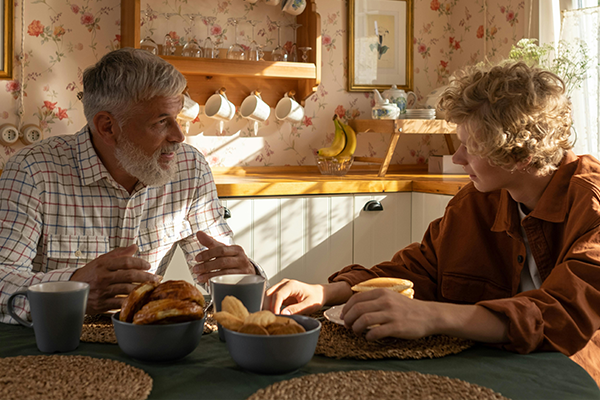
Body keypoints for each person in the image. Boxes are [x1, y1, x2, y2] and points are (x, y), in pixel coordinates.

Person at [265, 60, 600, 381]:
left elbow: (562, 313)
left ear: (520, 156)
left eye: (471, 147)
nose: (457, 158)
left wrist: (432, 316)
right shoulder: (476, 200)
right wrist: (326, 291)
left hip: (572, 377)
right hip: (488, 369)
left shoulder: (592, 205)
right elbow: (419, 269)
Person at [0, 48, 262, 324]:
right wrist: (72, 289)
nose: (179, 136)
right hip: (54, 347)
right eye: (161, 122)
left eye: (178, 118)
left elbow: (221, 273)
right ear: (107, 128)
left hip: (149, 344)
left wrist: (243, 274)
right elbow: (3, 278)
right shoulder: (32, 171)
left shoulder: (189, 168)